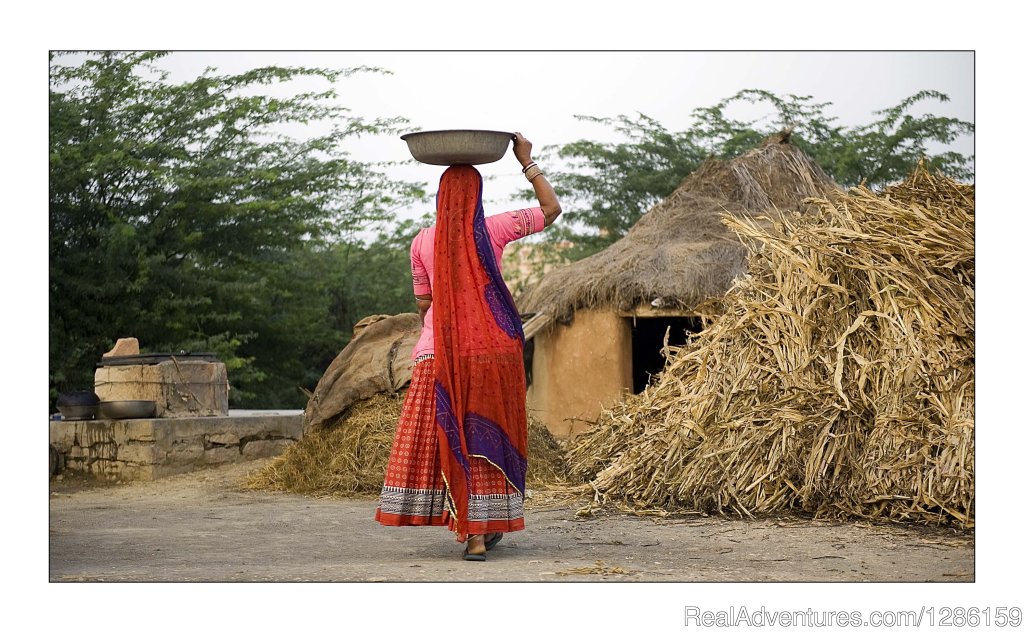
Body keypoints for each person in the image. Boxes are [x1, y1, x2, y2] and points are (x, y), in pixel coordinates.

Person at [374, 132, 561, 561]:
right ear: (477, 196)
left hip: (436, 354)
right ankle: (481, 531)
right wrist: (526, 161)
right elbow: (552, 210)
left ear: (440, 198)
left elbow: (424, 303)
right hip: (491, 353)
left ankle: (469, 529)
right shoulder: (494, 229)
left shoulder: (422, 241)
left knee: (445, 439)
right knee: (483, 441)